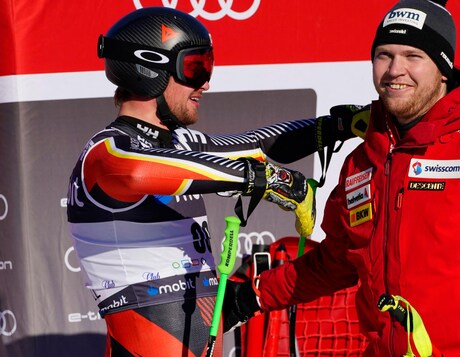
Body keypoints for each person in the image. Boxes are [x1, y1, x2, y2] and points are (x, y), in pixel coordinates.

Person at [224, 1, 460, 356]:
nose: (395, 69)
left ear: (443, 68)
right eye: (384, 55)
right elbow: (335, 262)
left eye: (413, 56)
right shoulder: (363, 160)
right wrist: (252, 296)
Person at [65, 7, 366, 357]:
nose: (205, 82)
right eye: (195, 68)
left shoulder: (181, 145)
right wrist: (261, 180)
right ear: (150, 70)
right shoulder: (105, 151)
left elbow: (258, 145)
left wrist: (339, 126)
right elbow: (134, 170)